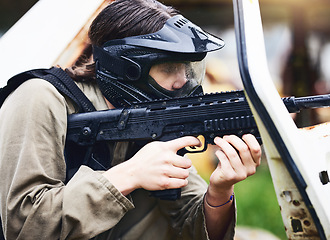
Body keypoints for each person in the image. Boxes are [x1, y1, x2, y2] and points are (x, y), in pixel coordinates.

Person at [0, 0, 261, 239]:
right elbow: (24, 228)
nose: (184, 80)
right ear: (128, 68)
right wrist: (130, 175)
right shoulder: (39, 97)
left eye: (188, 68)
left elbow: (193, 229)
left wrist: (219, 191)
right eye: (170, 68)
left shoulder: (153, 111)